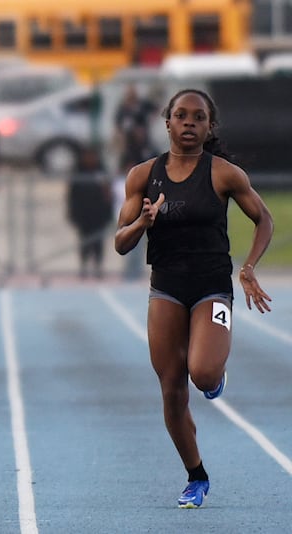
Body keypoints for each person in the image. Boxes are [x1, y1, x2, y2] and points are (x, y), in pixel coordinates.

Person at [114, 88, 274, 509]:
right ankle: (196, 476)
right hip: (166, 287)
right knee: (171, 389)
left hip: (212, 287)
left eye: (197, 117)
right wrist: (143, 223)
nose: (188, 123)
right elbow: (119, 242)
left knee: (201, 374)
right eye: (180, 116)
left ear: (208, 126)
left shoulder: (223, 174)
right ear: (166, 122)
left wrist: (248, 267)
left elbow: (264, 219)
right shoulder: (142, 176)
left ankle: (215, 374)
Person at [66, 147, 112, 279]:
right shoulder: (78, 173)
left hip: (99, 214)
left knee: (98, 243)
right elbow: (72, 196)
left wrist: (108, 213)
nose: (90, 159)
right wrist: (72, 213)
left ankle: (98, 267)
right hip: (83, 214)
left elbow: (108, 194)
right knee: (84, 242)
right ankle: (83, 267)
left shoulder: (102, 172)